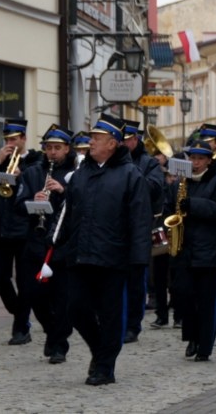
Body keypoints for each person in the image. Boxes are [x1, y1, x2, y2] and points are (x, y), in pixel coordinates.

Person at [57, 114, 152, 385]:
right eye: (91, 138)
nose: (91, 142)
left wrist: (138, 261)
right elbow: (68, 213)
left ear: (112, 143)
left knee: (110, 315)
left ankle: (105, 368)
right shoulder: (81, 173)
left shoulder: (130, 174)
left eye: (96, 138)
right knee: (75, 309)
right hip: (80, 254)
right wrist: (60, 243)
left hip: (113, 257)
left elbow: (140, 220)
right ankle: (100, 351)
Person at [15, 124, 78, 364]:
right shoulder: (32, 173)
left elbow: (82, 205)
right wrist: (33, 201)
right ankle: (52, 332)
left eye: (57, 148)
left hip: (63, 243)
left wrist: (63, 191)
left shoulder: (76, 173)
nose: (52, 152)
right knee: (34, 295)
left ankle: (59, 344)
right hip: (35, 241)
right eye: (49, 148)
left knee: (62, 298)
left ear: (67, 149)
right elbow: (17, 205)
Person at [166, 140, 216, 361]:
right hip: (184, 249)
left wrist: (193, 204)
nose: (195, 163)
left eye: (200, 159)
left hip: (210, 251)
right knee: (183, 295)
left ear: (209, 161)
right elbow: (169, 208)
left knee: (207, 301)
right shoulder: (180, 182)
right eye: (192, 158)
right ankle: (192, 337)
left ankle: (204, 346)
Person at [0, 118, 43, 345]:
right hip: (0, 227)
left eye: (14, 139)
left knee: (25, 281)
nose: (10, 143)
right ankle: (19, 311)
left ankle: (20, 328)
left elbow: (37, 187)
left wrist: (20, 175)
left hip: (24, 228)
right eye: (7, 139)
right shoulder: (0, 161)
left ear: (24, 138)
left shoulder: (35, 161)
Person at [121, 119, 164, 344]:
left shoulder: (148, 163)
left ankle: (132, 325)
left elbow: (155, 189)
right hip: (115, 228)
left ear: (135, 140)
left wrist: (131, 172)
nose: (121, 144)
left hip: (139, 228)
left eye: (126, 140)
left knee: (136, 281)